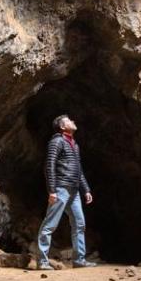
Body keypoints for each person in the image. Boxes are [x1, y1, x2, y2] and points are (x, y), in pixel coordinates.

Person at [36, 114, 96, 269]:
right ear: (62, 127)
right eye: (69, 120)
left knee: (79, 224)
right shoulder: (57, 142)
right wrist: (52, 190)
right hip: (61, 189)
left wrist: (86, 190)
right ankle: (42, 261)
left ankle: (79, 260)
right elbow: (49, 165)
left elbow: (79, 170)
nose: (73, 121)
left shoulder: (74, 144)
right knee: (50, 225)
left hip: (74, 191)